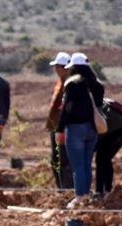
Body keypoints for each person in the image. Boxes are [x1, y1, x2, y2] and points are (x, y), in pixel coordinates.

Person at [56, 52, 105, 209]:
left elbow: (67, 108)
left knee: (77, 166)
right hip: (93, 129)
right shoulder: (97, 85)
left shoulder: (73, 84)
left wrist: (60, 128)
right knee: (86, 163)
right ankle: (86, 194)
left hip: (76, 128)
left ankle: (79, 196)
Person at [45, 52, 74, 190]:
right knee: (56, 160)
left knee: (64, 160)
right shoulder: (61, 82)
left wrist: (61, 128)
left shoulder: (70, 83)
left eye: (57, 66)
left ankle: (67, 190)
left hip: (64, 128)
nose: (56, 69)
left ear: (65, 67)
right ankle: (62, 189)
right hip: (56, 126)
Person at [94, 100, 122, 198]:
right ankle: (106, 188)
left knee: (101, 159)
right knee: (105, 158)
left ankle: (100, 191)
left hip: (115, 130)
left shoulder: (88, 105)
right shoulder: (99, 100)